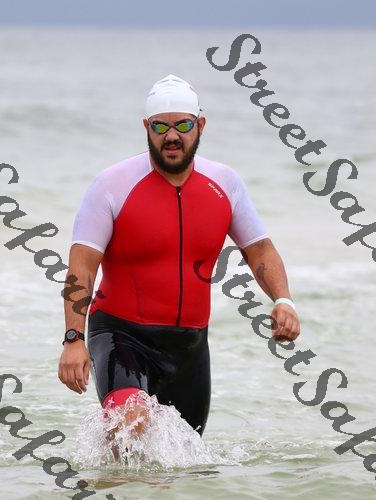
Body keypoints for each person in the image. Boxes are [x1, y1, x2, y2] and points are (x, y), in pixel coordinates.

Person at [58, 74, 300, 437]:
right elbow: (82, 267)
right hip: (121, 336)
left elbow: (260, 249)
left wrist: (283, 300)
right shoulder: (112, 184)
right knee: (132, 425)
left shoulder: (225, 183)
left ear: (200, 125)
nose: (172, 136)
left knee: (183, 460)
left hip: (190, 347)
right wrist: (73, 339)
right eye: (160, 126)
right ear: (147, 127)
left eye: (183, 125)